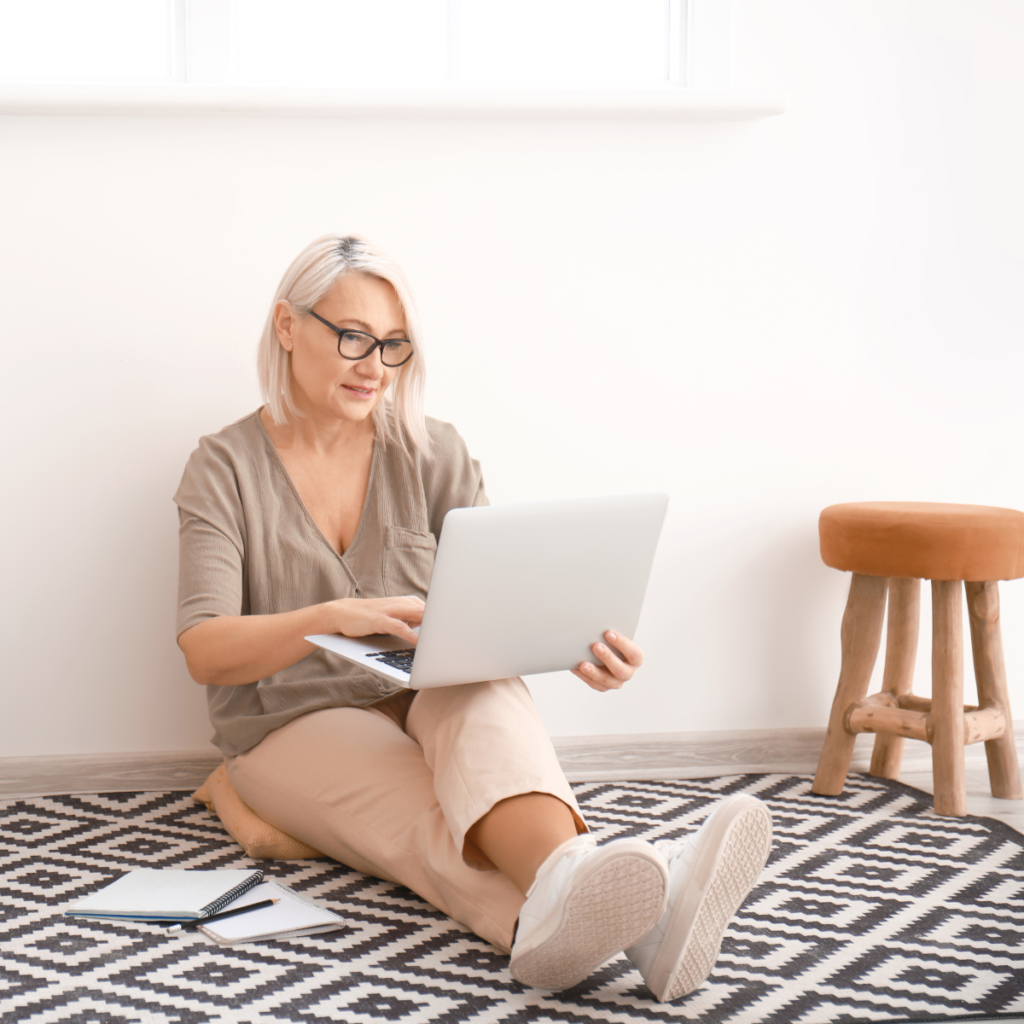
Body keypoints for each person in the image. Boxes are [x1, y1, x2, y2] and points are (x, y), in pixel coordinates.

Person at [174, 235, 772, 1001]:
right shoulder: (222, 467)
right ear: (288, 326)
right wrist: (328, 617)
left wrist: (581, 647)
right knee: (429, 817)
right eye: (353, 337)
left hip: (429, 680)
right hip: (292, 715)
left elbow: (500, 600)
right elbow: (204, 649)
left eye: (394, 346)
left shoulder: (433, 450)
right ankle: (637, 925)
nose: (374, 366)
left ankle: (592, 902)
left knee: (488, 703)